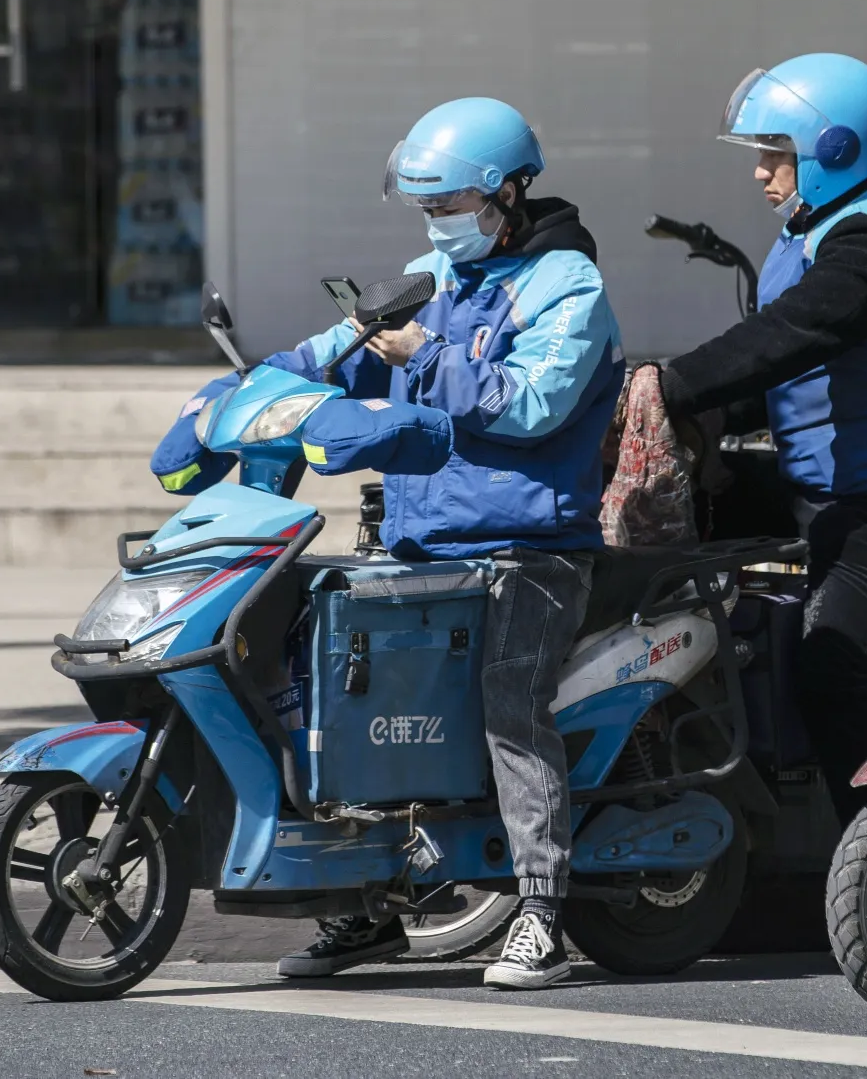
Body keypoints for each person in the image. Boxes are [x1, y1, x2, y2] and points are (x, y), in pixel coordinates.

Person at [148, 98, 625, 990]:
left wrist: (419, 357)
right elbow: (341, 346)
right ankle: (363, 908)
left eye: (451, 207)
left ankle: (541, 912)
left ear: (511, 194)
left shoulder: (568, 285)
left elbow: (530, 404)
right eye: (426, 209)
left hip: (529, 546)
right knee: (327, 688)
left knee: (507, 706)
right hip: (421, 540)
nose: (437, 225)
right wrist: (246, 392)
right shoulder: (431, 276)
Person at [656, 53, 867, 824]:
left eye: (776, 154)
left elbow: (794, 335)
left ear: (834, 149)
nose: (761, 173)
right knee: (667, 544)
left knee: (835, 670)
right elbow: (787, 380)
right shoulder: (815, 227)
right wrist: (695, 421)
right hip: (832, 489)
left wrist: (670, 385)